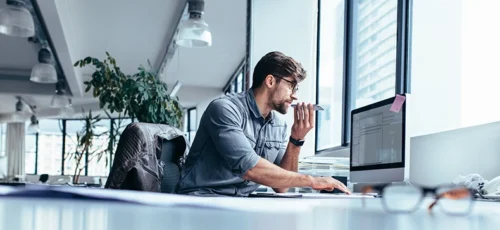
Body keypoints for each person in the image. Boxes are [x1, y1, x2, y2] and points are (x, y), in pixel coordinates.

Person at [175, 51, 351, 196]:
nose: (295, 95)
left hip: (240, 202)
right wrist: (313, 181)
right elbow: (250, 168)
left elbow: (281, 187)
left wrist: (296, 139)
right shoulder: (224, 109)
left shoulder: (278, 126)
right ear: (270, 81)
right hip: (202, 197)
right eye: (292, 86)